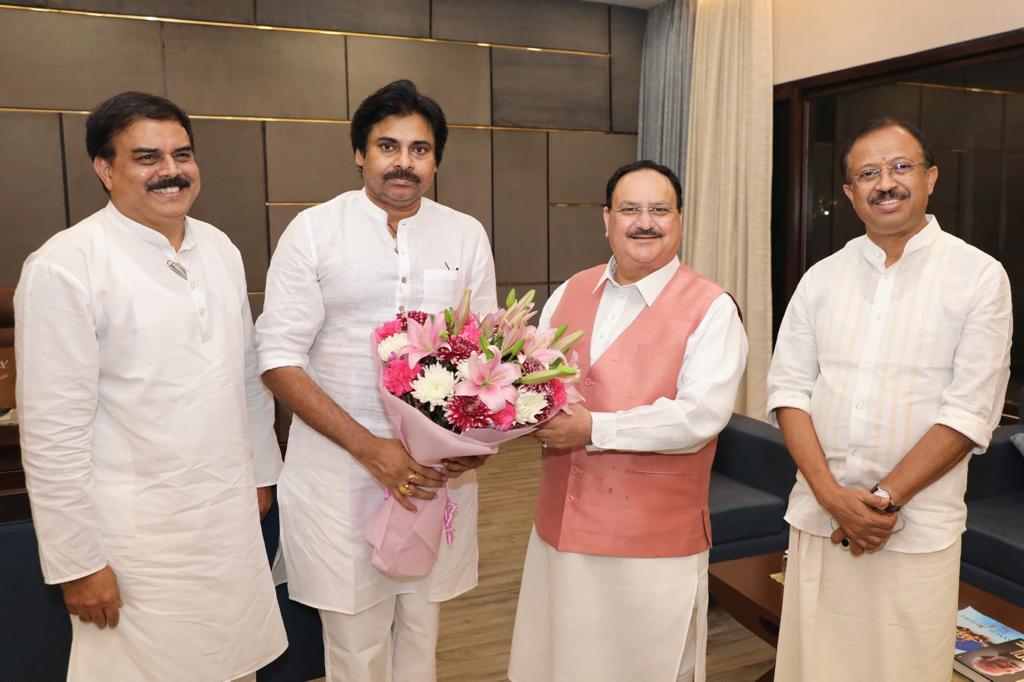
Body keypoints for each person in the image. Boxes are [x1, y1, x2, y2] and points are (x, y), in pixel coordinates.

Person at [15, 91, 286, 681]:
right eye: (146, 157)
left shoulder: (219, 248)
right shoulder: (65, 266)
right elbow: (52, 432)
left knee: (236, 667)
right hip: (134, 539)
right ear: (105, 170)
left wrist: (262, 475)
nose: (171, 171)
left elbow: (246, 376)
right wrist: (76, 562)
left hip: (224, 517)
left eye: (181, 154)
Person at [255, 79, 497, 682]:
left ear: (436, 160)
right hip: (340, 469)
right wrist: (372, 450)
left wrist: (475, 447)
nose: (403, 163)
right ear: (360, 153)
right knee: (356, 643)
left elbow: (488, 353)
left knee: (421, 630)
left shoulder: (464, 234)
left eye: (419, 150)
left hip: (435, 476)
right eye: (387, 146)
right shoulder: (313, 231)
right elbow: (278, 357)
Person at [767, 118, 1013, 681]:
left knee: (903, 668)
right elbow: (788, 391)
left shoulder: (978, 276)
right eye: (868, 173)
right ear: (850, 194)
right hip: (819, 518)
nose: (886, 183)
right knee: (816, 663)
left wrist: (880, 504)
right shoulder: (821, 278)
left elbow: (971, 409)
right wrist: (832, 496)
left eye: (901, 167)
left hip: (914, 525)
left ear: (931, 178)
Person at [507, 160, 748, 682]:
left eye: (660, 210)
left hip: (651, 545)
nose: (645, 222)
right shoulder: (569, 290)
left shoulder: (712, 309)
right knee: (561, 663)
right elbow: (533, 383)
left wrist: (593, 428)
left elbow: (699, 418)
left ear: (680, 219)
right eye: (630, 209)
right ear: (606, 219)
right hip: (561, 533)